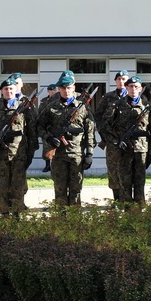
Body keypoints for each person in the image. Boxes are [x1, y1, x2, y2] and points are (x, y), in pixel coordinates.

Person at [0, 77, 39, 214]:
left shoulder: (24, 108)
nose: (9, 91)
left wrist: (31, 152)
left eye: (11, 88)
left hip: (19, 154)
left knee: (18, 187)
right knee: (3, 187)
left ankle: (17, 217)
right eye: (6, 89)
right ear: (1, 91)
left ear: (16, 90)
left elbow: (32, 131)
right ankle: (4, 217)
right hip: (1, 154)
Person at [37, 74, 95, 207]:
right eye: (63, 88)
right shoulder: (51, 107)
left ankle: (74, 220)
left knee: (76, 189)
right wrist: (49, 138)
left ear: (73, 88)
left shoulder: (82, 107)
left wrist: (90, 153)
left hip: (77, 155)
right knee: (60, 189)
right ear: (58, 89)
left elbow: (90, 130)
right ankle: (61, 220)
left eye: (69, 88)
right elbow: (39, 126)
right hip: (58, 155)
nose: (66, 91)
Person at [100, 75, 151, 206]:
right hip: (124, 149)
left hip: (141, 149)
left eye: (136, 87)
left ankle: (140, 207)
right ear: (126, 87)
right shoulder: (117, 105)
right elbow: (104, 125)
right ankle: (127, 208)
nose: (133, 89)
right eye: (131, 86)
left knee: (140, 180)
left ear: (141, 89)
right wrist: (116, 141)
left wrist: (150, 150)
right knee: (125, 180)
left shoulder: (146, 106)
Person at [96, 69, 129, 201]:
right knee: (113, 170)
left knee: (127, 169)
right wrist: (106, 137)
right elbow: (98, 117)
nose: (121, 81)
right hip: (112, 141)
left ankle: (128, 198)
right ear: (115, 81)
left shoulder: (134, 97)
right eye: (119, 79)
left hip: (128, 141)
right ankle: (116, 199)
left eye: (124, 79)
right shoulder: (107, 97)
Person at [38, 83, 58, 172]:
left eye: (54, 90)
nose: (53, 92)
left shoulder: (59, 100)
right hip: (46, 128)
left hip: (56, 127)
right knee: (46, 147)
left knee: (56, 146)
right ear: (48, 91)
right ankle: (47, 165)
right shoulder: (44, 101)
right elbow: (39, 114)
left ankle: (55, 165)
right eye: (51, 90)